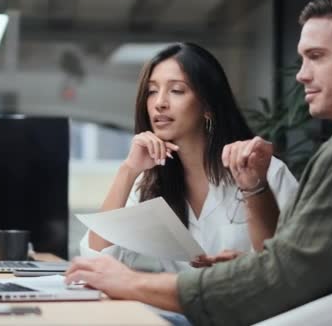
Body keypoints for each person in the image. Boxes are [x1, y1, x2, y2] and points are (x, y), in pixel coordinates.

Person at [66, 0, 332, 325]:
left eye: (316, 56)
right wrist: (129, 170)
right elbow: (296, 262)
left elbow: (285, 276)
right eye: (152, 91)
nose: (301, 75)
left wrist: (134, 283)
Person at [79, 42, 298, 273]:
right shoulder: (150, 182)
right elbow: (97, 262)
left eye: (176, 90)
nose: (159, 103)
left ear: (207, 106)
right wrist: (128, 170)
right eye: (152, 91)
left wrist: (244, 267)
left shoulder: (263, 171)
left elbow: (296, 263)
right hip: (180, 308)